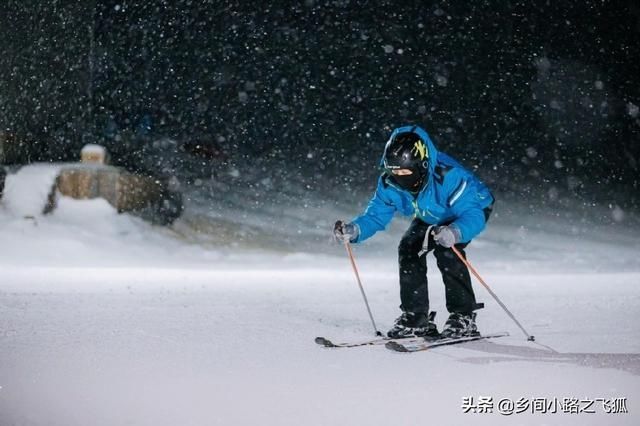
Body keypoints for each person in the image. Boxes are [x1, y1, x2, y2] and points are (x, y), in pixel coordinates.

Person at [334, 125, 494, 339]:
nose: (400, 179)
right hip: (429, 212)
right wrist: (355, 230)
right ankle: (416, 317)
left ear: (422, 165)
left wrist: (455, 232)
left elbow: (473, 214)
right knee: (409, 248)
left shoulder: (449, 177)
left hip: (468, 210)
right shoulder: (389, 181)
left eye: (406, 173)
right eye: (395, 172)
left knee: (447, 252)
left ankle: (463, 316)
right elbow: (376, 214)